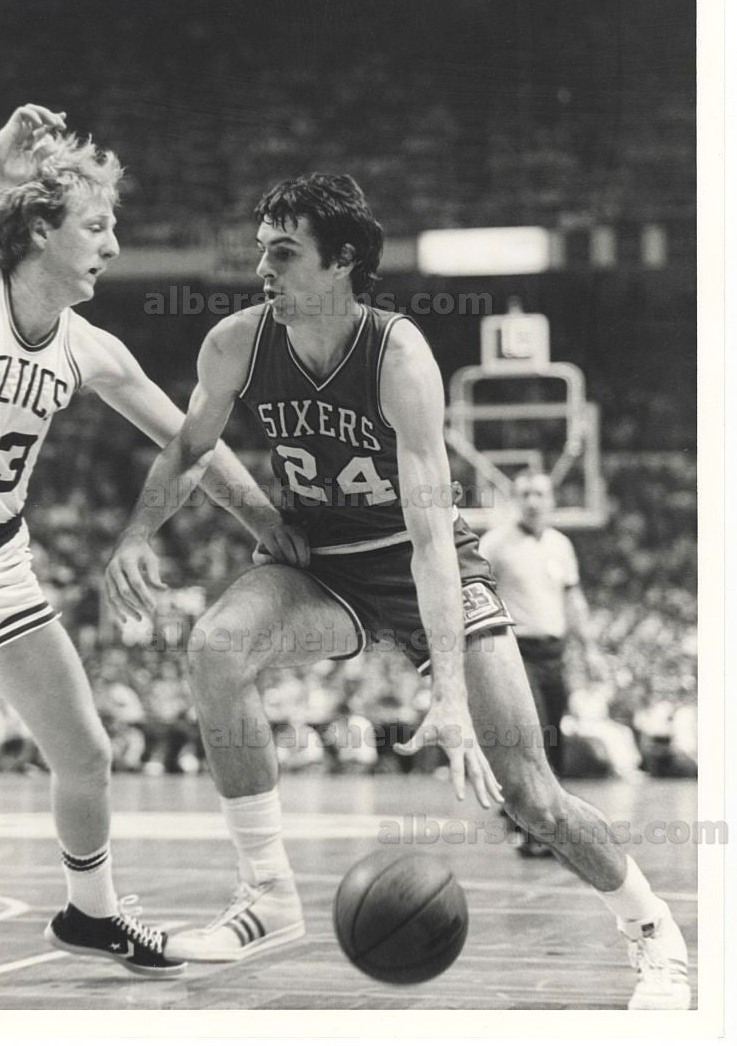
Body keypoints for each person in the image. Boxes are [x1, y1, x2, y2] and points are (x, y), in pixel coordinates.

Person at [106, 173, 690, 1009]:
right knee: (215, 646)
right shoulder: (235, 343)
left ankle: (653, 931)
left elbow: (429, 540)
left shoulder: (398, 355)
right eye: (262, 249)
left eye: (284, 253)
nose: (263, 268)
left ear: (342, 261)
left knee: (529, 795)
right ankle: (267, 895)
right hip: (324, 569)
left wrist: (447, 691)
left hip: (422, 564)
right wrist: (139, 533)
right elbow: (191, 447)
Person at [0, 105, 304, 978]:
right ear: (37, 229)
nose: (114, 246)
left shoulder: (88, 347)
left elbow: (192, 442)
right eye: (95, 226)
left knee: (85, 752)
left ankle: (91, 914)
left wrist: (269, 523)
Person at [479, 470, 590, 855]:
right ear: (515, 500)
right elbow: (475, 592)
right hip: (515, 650)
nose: (532, 501)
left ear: (551, 500)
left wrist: (589, 648)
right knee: (534, 733)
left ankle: (539, 814)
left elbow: (573, 599)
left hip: (554, 651)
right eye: (525, 494)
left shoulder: (560, 544)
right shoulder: (495, 543)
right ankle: (533, 827)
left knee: (554, 733)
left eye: (539, 494)